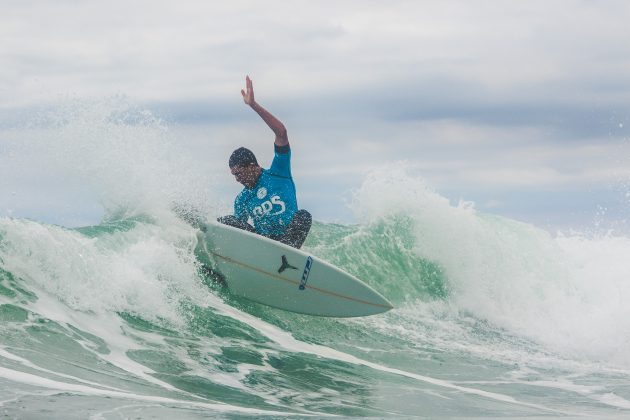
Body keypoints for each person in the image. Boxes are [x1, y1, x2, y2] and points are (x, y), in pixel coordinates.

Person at [218, 76, 311, 249]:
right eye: (234, 175)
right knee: (228, 221)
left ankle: (287, 253)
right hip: (264, 245)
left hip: (288, 241)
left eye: (238, 173)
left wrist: (253, 105)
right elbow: (239, 232)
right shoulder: (242, 199)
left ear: (252, 166)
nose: (237, 179)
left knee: (304, 216)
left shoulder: (279, 172)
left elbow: (281, 133)